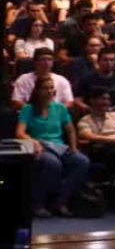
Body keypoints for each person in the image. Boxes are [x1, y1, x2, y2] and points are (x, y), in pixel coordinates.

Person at [15, 75, 91, 218]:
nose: (50, 91)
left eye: (52, 88)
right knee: (53, 164)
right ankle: (38, 203)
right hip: (39, 147)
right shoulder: (28, 109)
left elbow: (70, 130)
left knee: (82, 161)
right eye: (46, 88)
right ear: (37, 91)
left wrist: (74, 147)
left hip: (58, 146)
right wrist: (34, 142)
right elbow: (20, 132)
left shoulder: (60, 108)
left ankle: (60, 201)